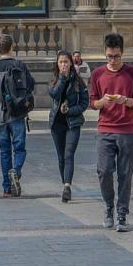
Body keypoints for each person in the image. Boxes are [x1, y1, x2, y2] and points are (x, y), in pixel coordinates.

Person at [90, 32, 133, 232]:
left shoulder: (132, 73)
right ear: (105, 53)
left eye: (116, 56)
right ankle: (109, 206)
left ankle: (122, 213)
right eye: (109, 56)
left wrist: (125, 100)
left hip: (127, 129)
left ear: (122, 54)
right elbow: (92, 102)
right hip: (105, 129)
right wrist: (102, 102)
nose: (113, 60)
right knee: (103, 171)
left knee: (125, 174)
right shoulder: (98, 74)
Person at [0, 34, 36, 197]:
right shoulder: (19, 65)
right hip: (17, 114)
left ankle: (6, 188)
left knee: (5, 151)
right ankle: (16, 171)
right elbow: (31, 84)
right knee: (19, 148)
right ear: (11, 47)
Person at [48, 49, 90, 202]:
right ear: (57, 65)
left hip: (73, 123)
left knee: (68, 154)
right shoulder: (54, 81)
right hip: (57, 124)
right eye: (61, 62)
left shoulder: (78, 82)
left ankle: (67, 186)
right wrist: (62, 79)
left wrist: (71, 110)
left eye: (66, 62)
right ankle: (63, 182)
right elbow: (55, 94)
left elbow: (85, 103)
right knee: (61, 157)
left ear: (71, 63)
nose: (64, 65)